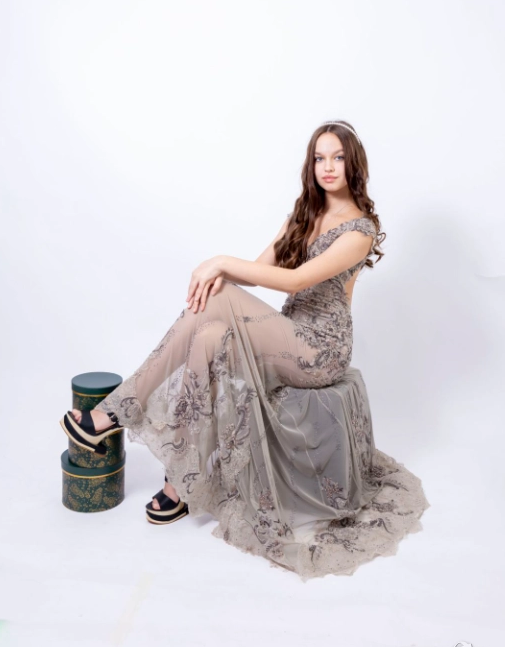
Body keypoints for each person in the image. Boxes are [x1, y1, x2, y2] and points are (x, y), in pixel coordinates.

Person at [60, 120, 429, 580]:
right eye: (319, 157)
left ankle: (116, 411)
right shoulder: (304, 214)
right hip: (288, 334)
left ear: (354, 164)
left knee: (219, 296)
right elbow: (257, 272)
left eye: (338, 157)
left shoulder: (360, 229)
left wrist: (218, 262)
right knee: (209, 332)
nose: (328, 167)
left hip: (321, 350)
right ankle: (182, 479)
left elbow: (295, 280)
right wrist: (220, 273)